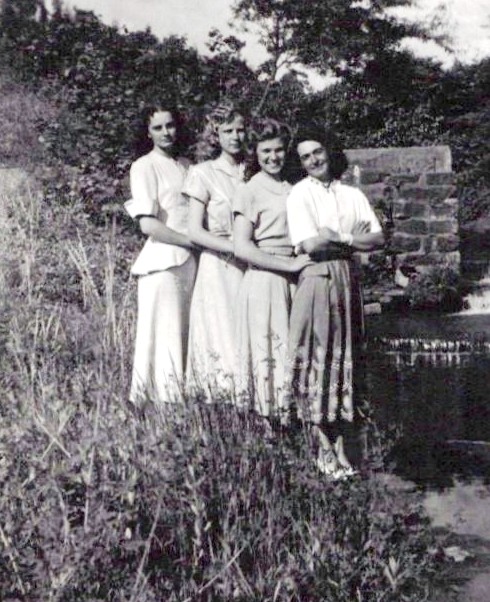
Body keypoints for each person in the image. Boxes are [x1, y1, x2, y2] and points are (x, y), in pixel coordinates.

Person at [286, 126, 384, 478]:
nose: (313, 160)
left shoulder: (351, 194)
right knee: (320, 358)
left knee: (346, 361)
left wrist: (339, 236)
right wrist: (353, 240)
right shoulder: (299, 194)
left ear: (329, 150)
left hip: (347, 279)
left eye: (317, 152)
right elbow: (311, 245)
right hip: (318, 278)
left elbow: (378, 238)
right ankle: (321, 447)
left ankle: (342, 447)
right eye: (305, 157)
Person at [233, 117, 311, 422]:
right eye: (266, 151)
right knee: (268, 351)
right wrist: (287, 264)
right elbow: (242, 247)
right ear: (255, 153)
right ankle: (267, 427)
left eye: (278, 150)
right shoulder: (249, 190)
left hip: (296, 279)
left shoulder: (295, 187)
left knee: (293, 351)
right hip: (264, 281)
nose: (273, 157)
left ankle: (295, 421)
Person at [125, 105, 196, 404]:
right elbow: (148, 225)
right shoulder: (144, 166)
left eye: (170, 125)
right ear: (148, 132)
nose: (166, 132)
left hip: (190, 263)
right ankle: (158, 405)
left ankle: (181, 404)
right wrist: (191, 242)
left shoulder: (187, 165)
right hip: (163, 264)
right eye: (158, 127)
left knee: (184, 333)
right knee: (163, 335)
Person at [183, 101, 247, 396]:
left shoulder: (252, 170)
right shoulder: (203, 172)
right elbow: (195, 231)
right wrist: (235, 247)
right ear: (216, 135)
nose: (235, 137)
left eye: (240, 130)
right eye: (228, 131)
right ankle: (220, 401)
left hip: (251, 265)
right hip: (218, 265)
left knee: (246, 331)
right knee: (221, 334)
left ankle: (251, 400)